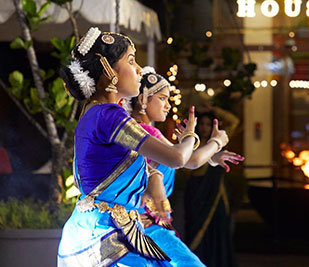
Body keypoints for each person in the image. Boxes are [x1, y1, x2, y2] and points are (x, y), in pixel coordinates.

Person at [57, 27, 200, 267]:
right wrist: (190, 136)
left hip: (102, 229)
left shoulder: (93, 111)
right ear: (108, 70)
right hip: (106, 236)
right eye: (131, 61)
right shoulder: (109, 115)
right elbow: (177, 158)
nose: (138, 70)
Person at [129, 66, 244, 266]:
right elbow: (187, 161)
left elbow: (180, 158)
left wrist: (211, 158)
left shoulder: (138, 130)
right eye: (162, 98)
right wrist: (216, 142)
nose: (167, 105)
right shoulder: (146, 132)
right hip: (146, 225)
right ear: (143, 100)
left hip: (142, 222)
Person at [183, 109, 240, 267]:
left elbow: (234, 121)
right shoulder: (190, 142)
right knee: (195, 229)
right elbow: (185, 166)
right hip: (196, 192)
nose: (204, 127)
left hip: (215, 192)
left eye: (208, 124)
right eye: (201, 124)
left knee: (218, 227)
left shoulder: (218, 141)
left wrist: (213, 109)